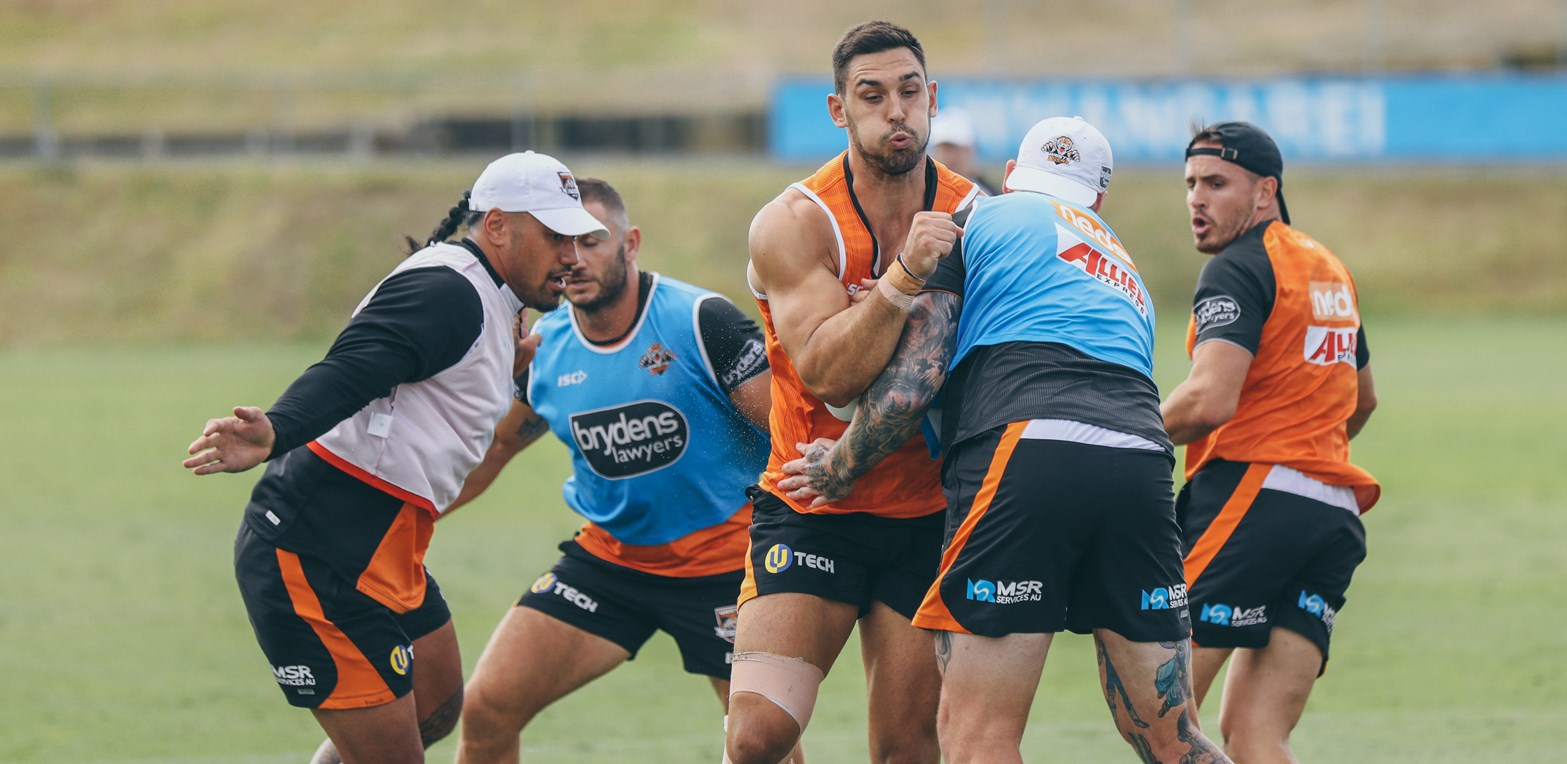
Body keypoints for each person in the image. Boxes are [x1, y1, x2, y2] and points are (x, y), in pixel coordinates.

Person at [778, 116, 1231, 764]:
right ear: (1096, 198)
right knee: (1173, 739)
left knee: (976, 738)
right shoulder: (1123, 266)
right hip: (1141, 466)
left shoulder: (977, 219)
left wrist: (841, 463)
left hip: (1029, 452)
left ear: (1014, 174)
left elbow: (917, 376)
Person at [183, 150, 605, 764]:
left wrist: (496, 369)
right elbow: (354, 367)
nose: (571, 255)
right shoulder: (449, 291)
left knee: (436, 704)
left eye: (575, 237)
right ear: (496, 228)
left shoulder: (489, 299)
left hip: (383, 543)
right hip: (319, 550)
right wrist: (276, 428)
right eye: (553, 236)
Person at [440, 178, 795, 763]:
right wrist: (407, 516)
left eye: (593, 240)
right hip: (611, 564)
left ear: (630, 243)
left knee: (762, 747)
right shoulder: (544, 347)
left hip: (728, 566)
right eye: (560, 241)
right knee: (487, 708)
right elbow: (496, 450)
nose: (574, 258)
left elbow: (790, 432)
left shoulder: (700, 321)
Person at [724, 19, 979, 764]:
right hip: (813, 505)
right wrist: (903, 276)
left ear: (930, 98)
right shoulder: (796, 222)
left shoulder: (977, 214)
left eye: (908, 92)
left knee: (907, 750)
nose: (894, 111)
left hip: (931, 513)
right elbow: (825, 374)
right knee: (757, 737)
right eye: (871, 96)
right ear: (839, 111)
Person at [1161, 120, 1380, 763]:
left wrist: (1123, 436)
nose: (1197, 199)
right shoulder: (1327, 267)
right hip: (1333, 512)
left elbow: (1208, 400)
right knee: (1256, 735)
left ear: (1265, 191)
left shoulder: (1238, 267)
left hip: (1254, 500)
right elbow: (1361, 401)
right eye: (1191, 184)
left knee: (1161, 717)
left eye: (1216, 183)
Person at [929, 109, 999, 196]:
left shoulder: (991, 195)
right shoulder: (922, 195)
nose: (950, 158)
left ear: (971, 150)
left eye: (956, 149)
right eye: (945, 150)